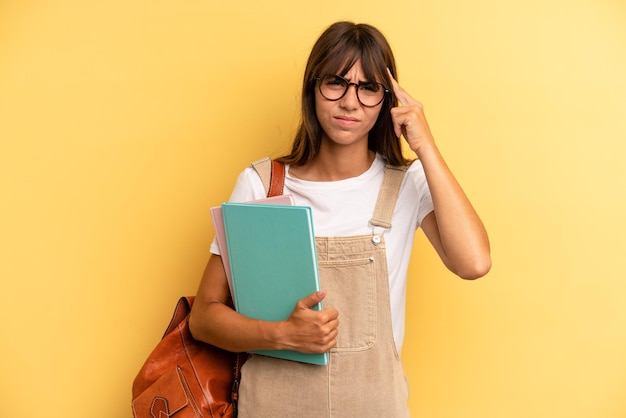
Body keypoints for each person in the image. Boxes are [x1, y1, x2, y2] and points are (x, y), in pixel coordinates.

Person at [189, 21, 491, 417]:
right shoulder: (262, 186)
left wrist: (425, 146)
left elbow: (474, 263)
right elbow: (204, 318)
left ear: (386, 100)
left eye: (368, 89)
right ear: (312, 89)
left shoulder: (406, 184)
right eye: (336, 83)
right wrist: (281, 334)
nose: (350, 102)